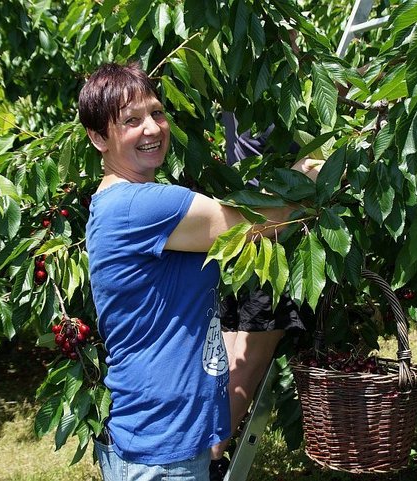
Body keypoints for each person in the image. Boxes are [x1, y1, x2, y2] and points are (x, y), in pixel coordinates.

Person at [79, 61, 322, 481]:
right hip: (161, 456)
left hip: (159, 441)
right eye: (131, 121)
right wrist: (313, 173)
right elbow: (258, 222)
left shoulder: (120, 202)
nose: (152, 129)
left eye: (156, 112)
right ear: (99, 137)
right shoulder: (144, 205)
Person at [208, 113, 306, 470]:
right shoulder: (288, 100)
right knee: (246, 366)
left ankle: (207, 453)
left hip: (239, 237)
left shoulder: (243, 92)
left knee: (227, 362)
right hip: (272, 239)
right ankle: (211, 462)